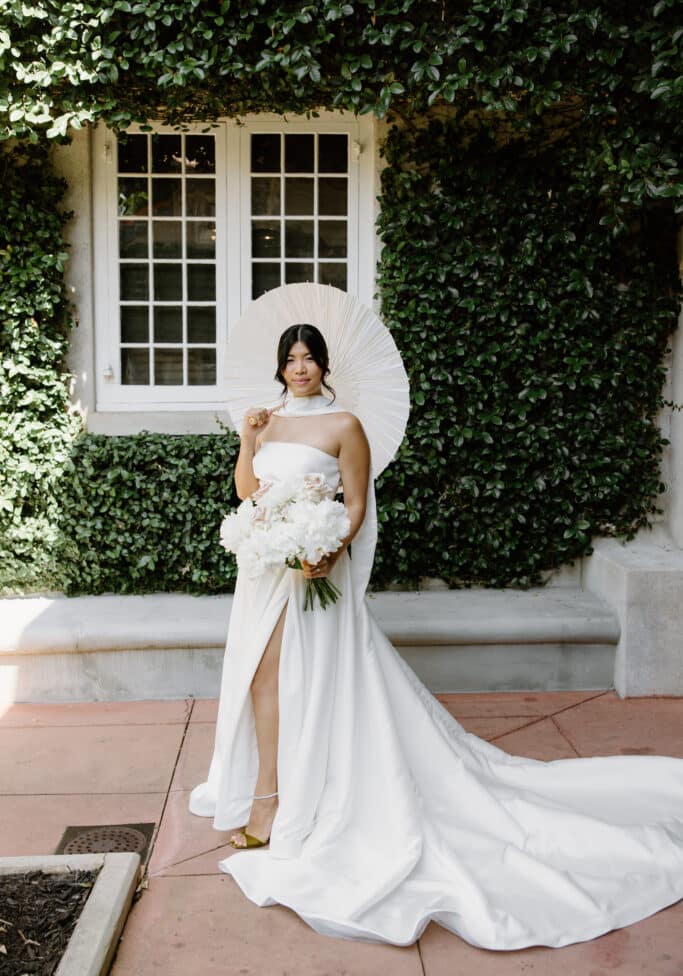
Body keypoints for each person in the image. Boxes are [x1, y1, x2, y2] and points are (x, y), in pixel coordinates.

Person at [190, 322, 683, 950]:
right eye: (291, 359)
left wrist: (329, 551)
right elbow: (249, 492)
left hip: (313, 571)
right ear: (280, 366)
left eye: (310, 358)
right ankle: (269, 797)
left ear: (324, 364)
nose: (301, 368)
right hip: (264, 574)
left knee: (295, 679)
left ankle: (280, 802)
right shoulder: (267, 423)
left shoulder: (346, 426)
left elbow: (358, 508)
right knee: (263, 677)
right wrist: (246, 439)